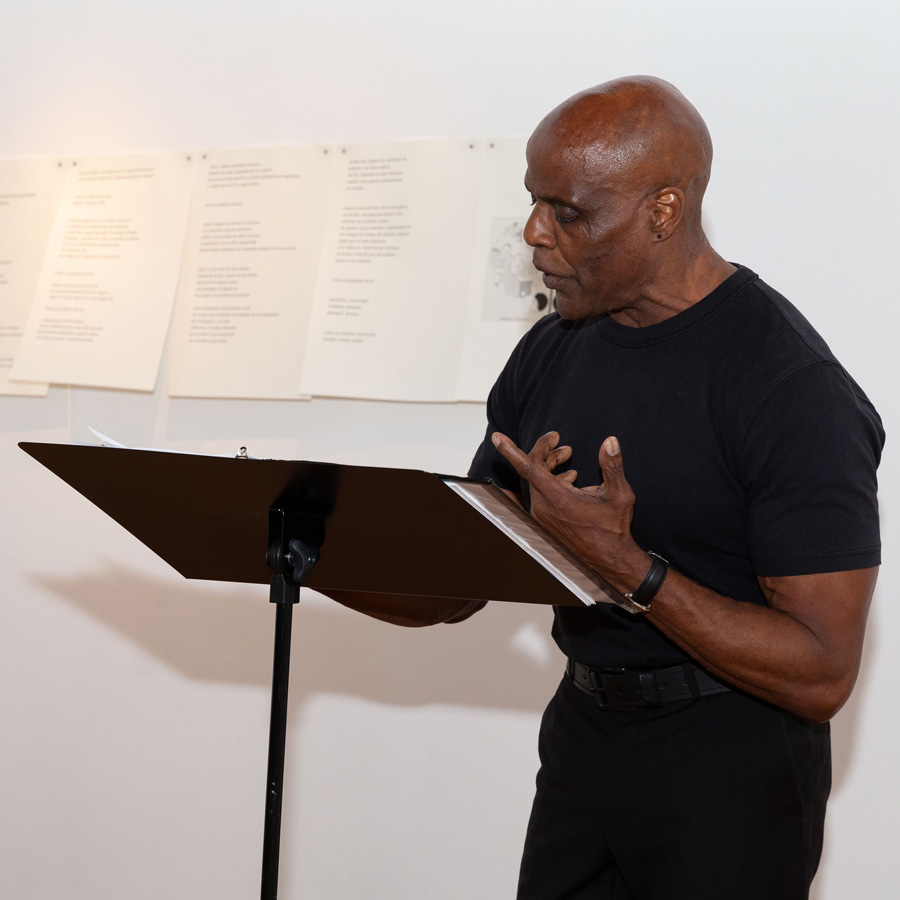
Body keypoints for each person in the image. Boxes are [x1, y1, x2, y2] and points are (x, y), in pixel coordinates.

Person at [325, 76, 883, 899]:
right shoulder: (554, 349)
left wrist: (628, 568)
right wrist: (297, 544)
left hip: (731, 767)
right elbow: (456, 585)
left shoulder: (789, 386)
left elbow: (822, 670)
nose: (534, 233)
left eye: (569, 213)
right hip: (585, 740)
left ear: (664, 211)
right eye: (533, 201)